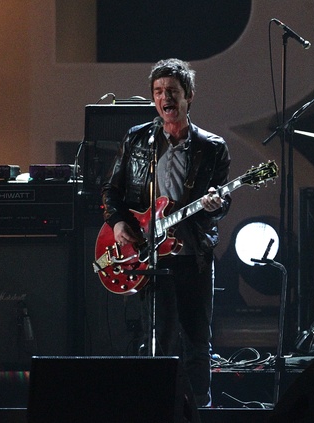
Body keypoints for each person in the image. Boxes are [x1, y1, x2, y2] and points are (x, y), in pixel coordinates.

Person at [101, 58, 231, 407]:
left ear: (189, 95)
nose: (164, 98)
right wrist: (118, 224)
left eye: (172, 91)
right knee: (156, 338)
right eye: (158, 92)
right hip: (151, 256)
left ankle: (200, 407)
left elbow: (222, 201)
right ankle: (155, 406)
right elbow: (112, 191)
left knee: (196, 340)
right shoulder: (138, 139)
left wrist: (217, 203)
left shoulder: (212, 147)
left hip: (193, 256)